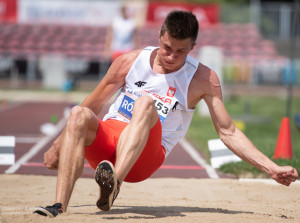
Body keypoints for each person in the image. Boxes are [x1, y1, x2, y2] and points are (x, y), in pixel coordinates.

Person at [33, 10, 298, 218]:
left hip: (144, 155)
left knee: (145, 104)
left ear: (193, 47)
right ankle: (59, 206)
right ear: (160, 35)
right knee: (78, 113)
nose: (171, 57)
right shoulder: (129, 62)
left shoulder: (202, 78)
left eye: (181, 51)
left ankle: (115, 182)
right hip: (108, 143)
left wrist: (271, 168)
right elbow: (93, 104)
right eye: (167, 48)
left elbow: (227, 131)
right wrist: (59, 145)